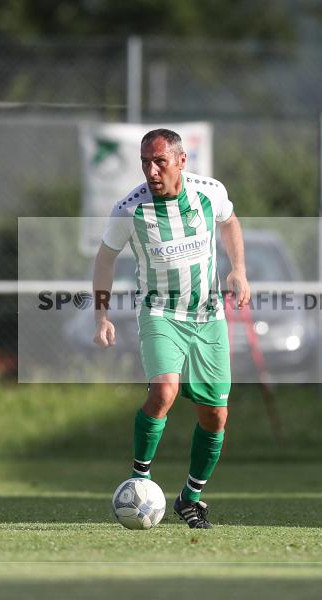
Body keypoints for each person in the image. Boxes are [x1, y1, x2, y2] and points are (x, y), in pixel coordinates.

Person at [93, 128, 250, 529]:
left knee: (216, 415)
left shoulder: (209, 192)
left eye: (159, 161)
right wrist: (101, 314)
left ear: (181, 160)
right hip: (160, 313)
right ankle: (140, 481)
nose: (151, 169)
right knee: (164, 390)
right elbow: (105, 258)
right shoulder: (130, 210)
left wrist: (239, 270)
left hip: (208, 317)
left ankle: (190, 499)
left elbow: (230, 223)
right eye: (145, 161)